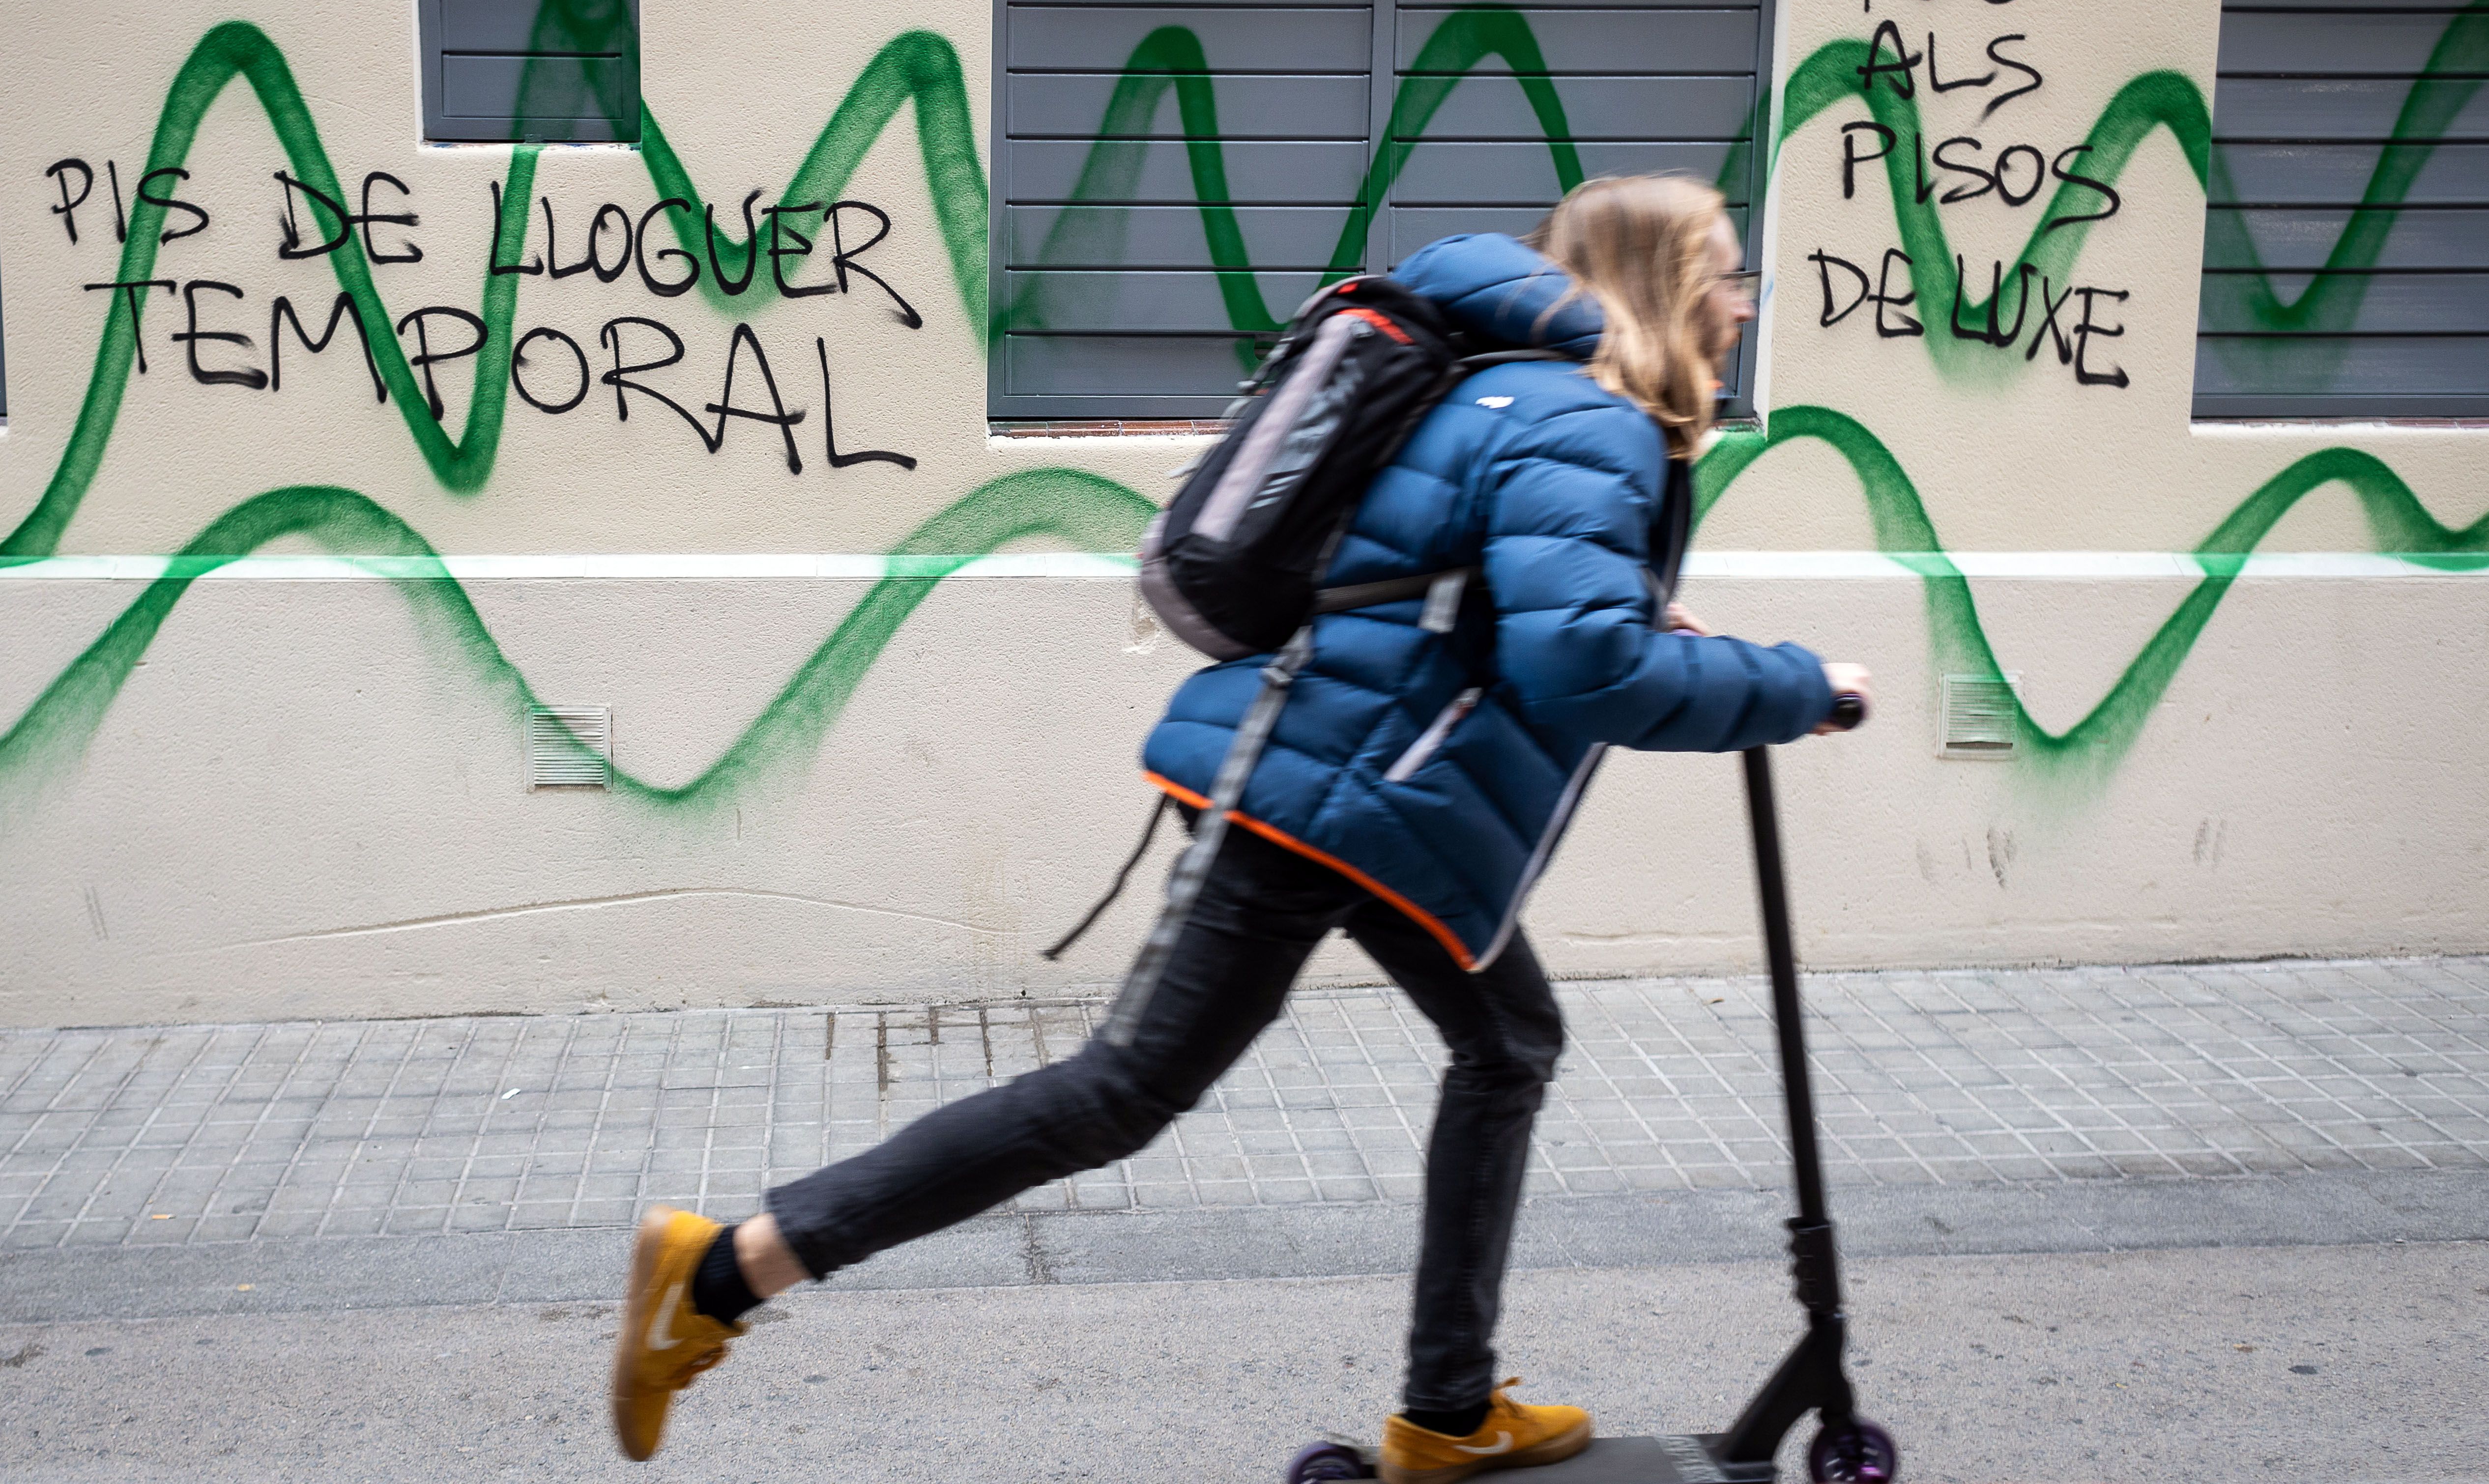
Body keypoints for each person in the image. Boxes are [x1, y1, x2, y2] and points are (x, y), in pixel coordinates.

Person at [609, 174, 1871, 1482]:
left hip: (1386, 804)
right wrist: (1799, 686)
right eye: (1729, 276)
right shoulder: (1585, 420)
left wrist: (1640, 621)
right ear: (1668, 285)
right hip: (1322, 803)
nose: (1741, 306)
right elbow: (1583, 670)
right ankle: (724, 1270)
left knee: (1509, 1042)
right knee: (1121, 1093)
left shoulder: (1514, 392)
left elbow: (1465, 584)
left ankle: (1447, 1412)